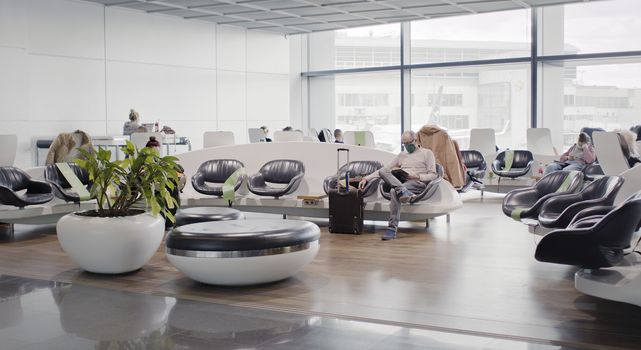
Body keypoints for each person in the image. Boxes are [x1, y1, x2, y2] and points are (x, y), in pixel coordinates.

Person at [358, 130, 437, 241]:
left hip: (417, 183)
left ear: (416, 140)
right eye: (404, 144)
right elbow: (385, 169)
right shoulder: (402, 155)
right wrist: (366, 178)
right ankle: (402, 190)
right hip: (403, 183)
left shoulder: (427, 153)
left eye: (409, 143)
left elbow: (433, 175)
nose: (407, 146)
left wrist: (417, 177)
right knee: (383, 172)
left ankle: (392, 229)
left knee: (393, 191)